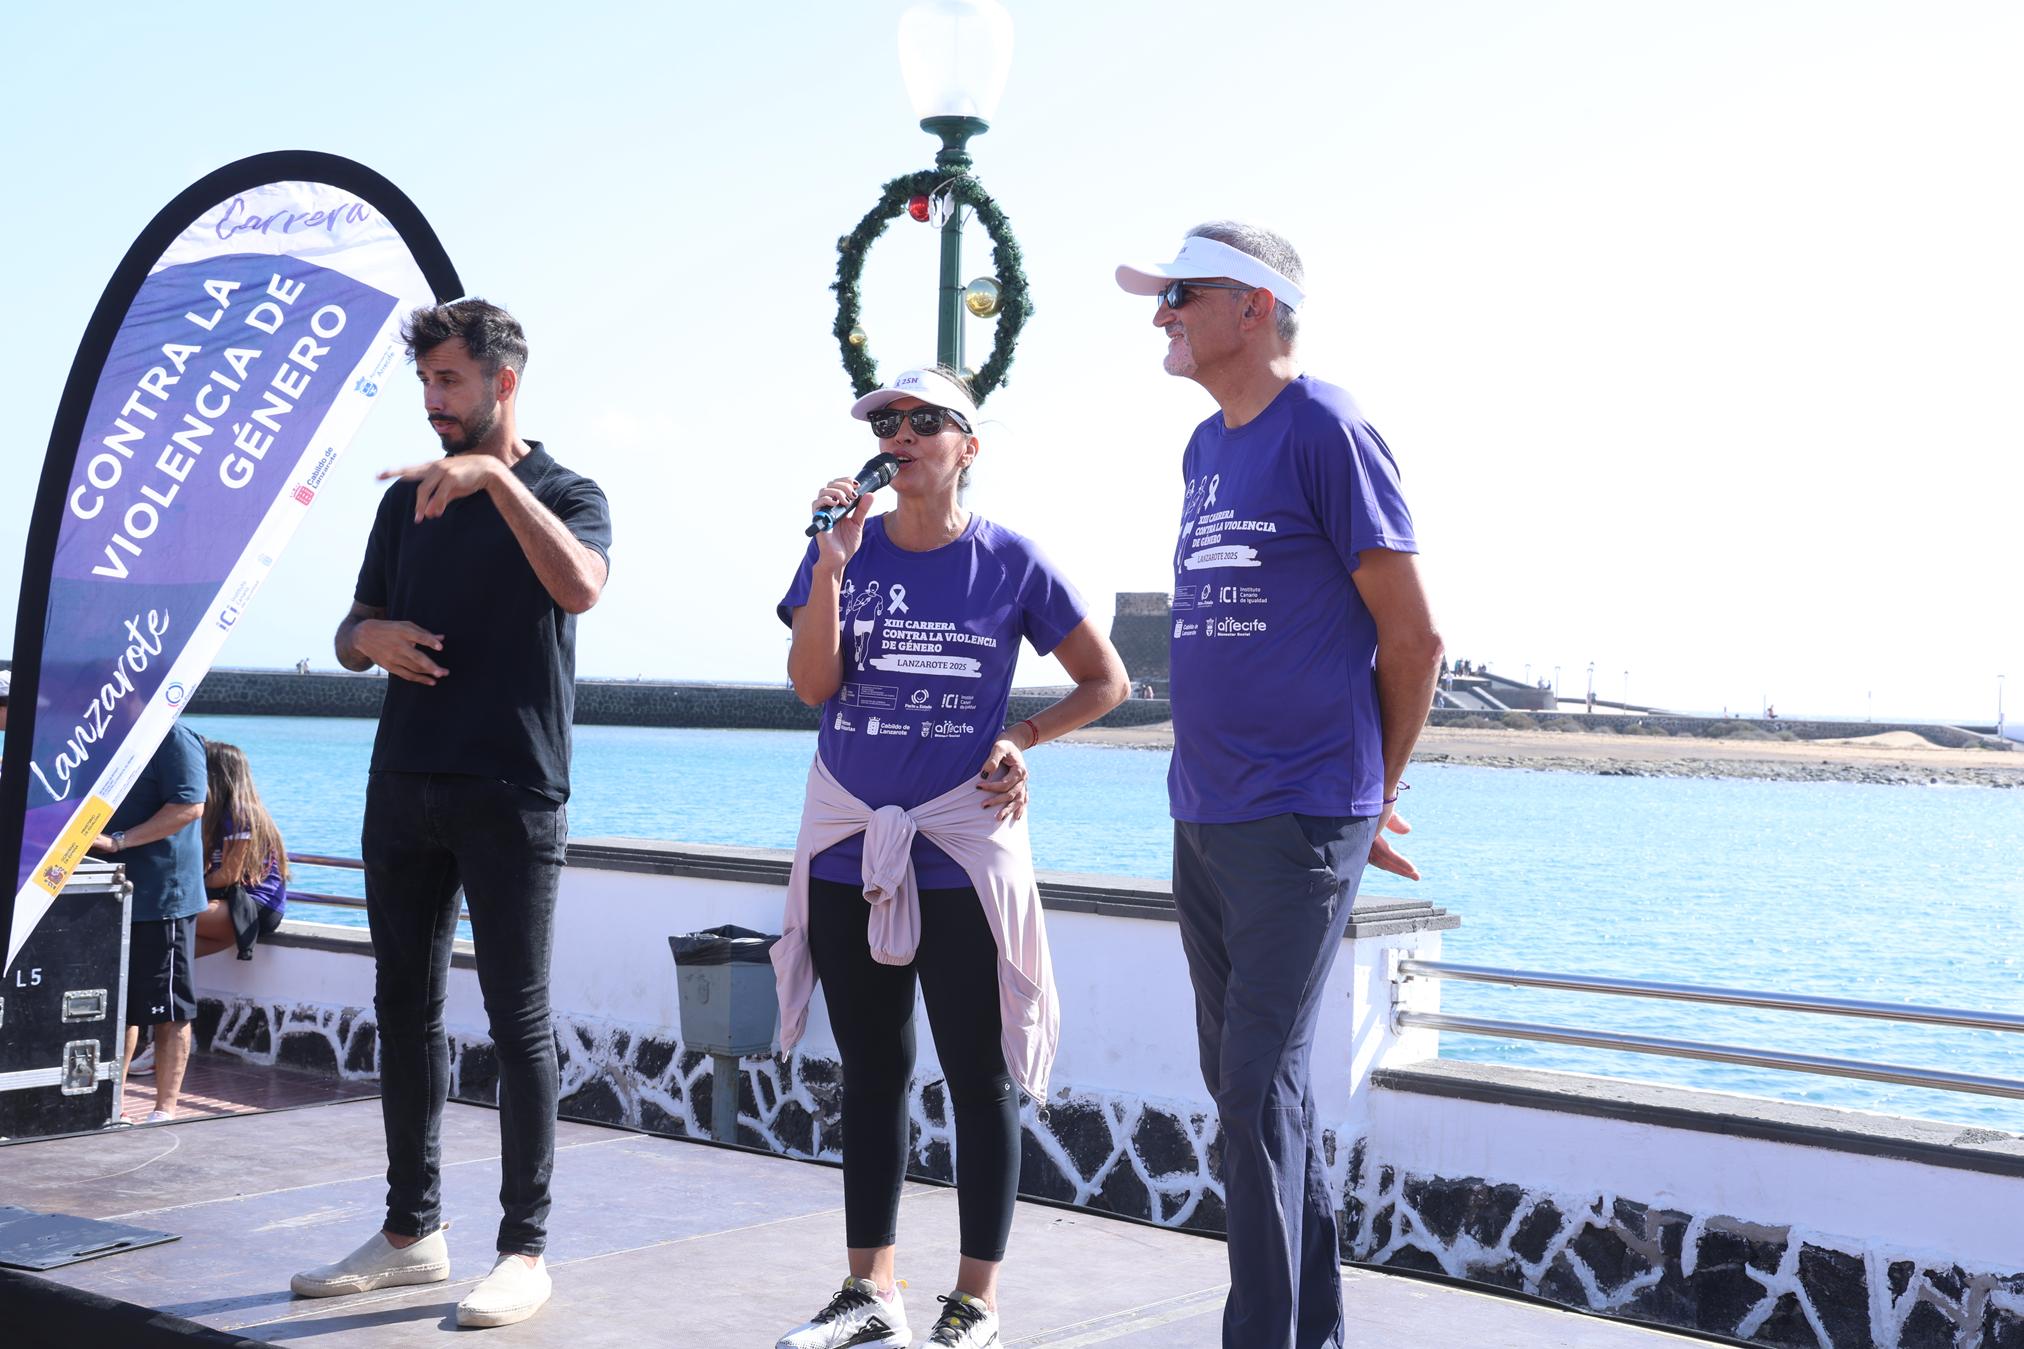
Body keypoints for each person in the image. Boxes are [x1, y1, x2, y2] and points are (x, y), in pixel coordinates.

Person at [1115, 223, 1442, 1349]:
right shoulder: (1206, 447)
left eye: (1180, 295)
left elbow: (1411, 639)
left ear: (1254, 305)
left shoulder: (1329, 429)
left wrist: (1368, 800)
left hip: (1300, 816)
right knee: (1257, 1092)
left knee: (1253, 1090)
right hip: (1203, 815)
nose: (1160, 313)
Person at [772, 366, 1129, 1349]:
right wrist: (831, 563)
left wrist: (1023, 736)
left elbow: (1106, 679)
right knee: (871, 1069)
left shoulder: (1009, 560)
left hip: (959, 847)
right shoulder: (840, 548)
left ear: (966, 447)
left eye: (926, 422)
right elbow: (811, 686)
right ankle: (866, 1291)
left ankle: (973, 1300)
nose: (901, 434)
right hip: (850, 838)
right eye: (887, 422)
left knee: (979, 1076)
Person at [291, 300, 611, 1330]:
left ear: (502, 382)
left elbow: (582, 586)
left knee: (517, 1018)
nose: (433, 404)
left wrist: (500, 482)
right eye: (424, 384)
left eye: (449, 384)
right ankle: (409, 1231)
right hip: (404, 784)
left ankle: (522, 1250)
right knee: (403, 1008)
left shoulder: (566, 491)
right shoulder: (403, 503)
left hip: (512, 792)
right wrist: (368, 636)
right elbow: (347, 627)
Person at [90, 721, 208, 1123]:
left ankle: (165, 1110)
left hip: (161, 896)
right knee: (118, 1008)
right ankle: (112, 1105)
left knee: (169, 1006)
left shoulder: (174, 737)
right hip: (103, 893)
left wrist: (118, 840)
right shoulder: (100, 732)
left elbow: (189, 807)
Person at [194, 741, 288, 959]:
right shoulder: (220, 814)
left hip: (255, 906)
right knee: (170, 949)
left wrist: (187, 889)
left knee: (170, 916)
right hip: (235, 902)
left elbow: (229, 875)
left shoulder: (240, 814)